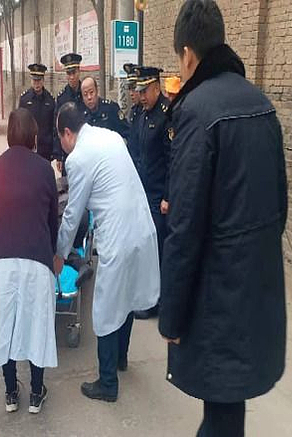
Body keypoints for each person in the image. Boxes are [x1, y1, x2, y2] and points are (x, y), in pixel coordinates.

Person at [158, 2, 287, 436]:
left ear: (188, 54)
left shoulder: (197, 112)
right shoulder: (261, 103)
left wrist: (172, 317)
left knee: (221, 417)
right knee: (229, 412)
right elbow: (280, 208)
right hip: (256, 291)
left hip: (216, 300)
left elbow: (183, 229)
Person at [54, 102, 160, 402]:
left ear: (67, 133)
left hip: (118, 237)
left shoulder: (78, 158)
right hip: (142, 228)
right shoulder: (110, 136)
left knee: (106, 308)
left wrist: (60, 254)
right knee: (128, 297)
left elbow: (73, 214)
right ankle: (120, 359)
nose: (62, 146)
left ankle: (108, 383)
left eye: (60, 139)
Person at [0, 108, 59, 414]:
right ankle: (37, 393)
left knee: (6, 325)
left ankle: (11, 392)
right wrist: (52, 252)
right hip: (36, 258)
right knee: (36, 324)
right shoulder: (44, 169)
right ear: (33, 135)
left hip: (1, 259)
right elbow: (52, 219)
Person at [132, 66, 172, 320]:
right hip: (143, 193)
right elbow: (136, 152)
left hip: (159, 197)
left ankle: (158, 301)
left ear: (156, 88)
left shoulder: (168, 115)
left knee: (157, 249)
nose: (141, 96)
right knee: (145, 247)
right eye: (139, 91)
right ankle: (148, 294)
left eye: (145, 91)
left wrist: (168, 195)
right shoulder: (142, 114)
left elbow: (173, 160)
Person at [53, 53, 84, 174]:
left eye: (74, 73)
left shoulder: (86, 94)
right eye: (68, 73)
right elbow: (57, 127)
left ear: (79, 71)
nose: (71, 77)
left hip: (84, 148)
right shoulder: (62, 98)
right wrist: (59, 155)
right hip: (68, 152)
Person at [19, 63, 55, 161]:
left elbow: (53, 126)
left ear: (43, 80)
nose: (36, 84)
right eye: (34, 80)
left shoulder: (50, 100)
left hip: (45, 149)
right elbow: (20, 125)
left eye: (39, 80)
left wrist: (53, 149)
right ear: (31, 81)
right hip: (29, 148)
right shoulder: (24, 99)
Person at [81, 76, 130, 141]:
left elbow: (127, 132)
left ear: (97, 91)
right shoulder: (82, 116)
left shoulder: (111, 108)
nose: (89, 97)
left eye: (91, 92)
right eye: (85, 94)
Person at [124, 62, 143, 168]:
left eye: (134, 88)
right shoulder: (133, 111)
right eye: (129, 88)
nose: (131, 93)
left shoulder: (146, 111)